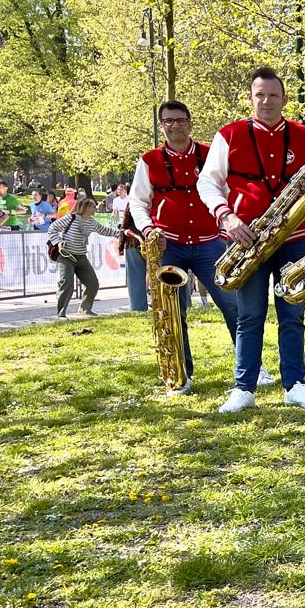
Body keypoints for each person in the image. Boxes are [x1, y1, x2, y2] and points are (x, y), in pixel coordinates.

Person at [197, 66, 305, 414]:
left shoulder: (304, 135)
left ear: (284, 99)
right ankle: (244, 387)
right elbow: (207, 183)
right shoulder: (229, 135)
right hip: (247, 238)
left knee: (292, 314)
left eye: (273, 95)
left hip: (294, 236)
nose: (267, 101)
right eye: (260, 95)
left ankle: (295, 385)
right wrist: (226, 216)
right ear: (250, 98)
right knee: (249, 316)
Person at [128, 101, 240, 395]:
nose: (175, 125)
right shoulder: (149, 160)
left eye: (180, 120)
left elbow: (227, 191)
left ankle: (250, 368)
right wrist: (149, 229)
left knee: (234, 306)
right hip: (169, 245)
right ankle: (181, 375)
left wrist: (225, 226)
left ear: (190, 123)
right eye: (168, 121)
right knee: (173, 313)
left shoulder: (210, 153)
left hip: (210, 243)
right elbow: (138, 202)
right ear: (160, 125)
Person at [48, 196, 119, 316]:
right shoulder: (71, 218)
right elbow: (52, 228)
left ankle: (85, 310)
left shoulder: (92, 222)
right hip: (66, 255)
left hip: (81, 256)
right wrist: (59, 242)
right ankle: (61, 313)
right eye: (93, 206)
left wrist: (121, 234)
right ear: (85, 207)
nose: (96, 208)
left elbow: (105, 230)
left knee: (92, 283)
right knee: (67, 283)